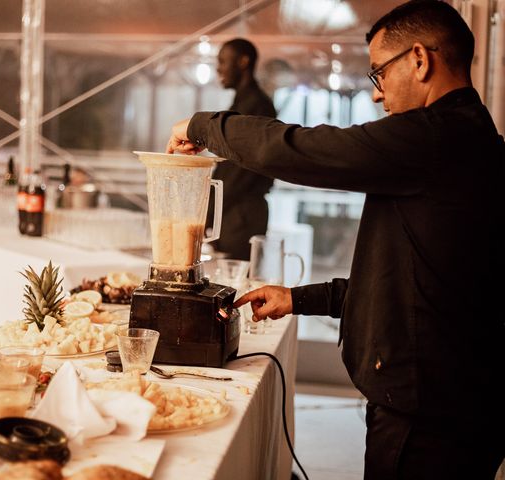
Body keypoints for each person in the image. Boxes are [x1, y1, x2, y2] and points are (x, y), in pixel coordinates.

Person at [166, 1, 505, 478]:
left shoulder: (436, 138)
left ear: (420, 60)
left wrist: (204, 125)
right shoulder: (464, 139)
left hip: (430, 415)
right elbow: (411, 282)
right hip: (443, 401)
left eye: (378, 74)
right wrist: (298, 298)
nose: (375, 94)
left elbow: (307, 150)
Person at [209, 38, 277, 260]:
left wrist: (207, 215)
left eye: (222, 61)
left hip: (241, 218)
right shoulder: (247, 103)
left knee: (235, 281)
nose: (218, 68)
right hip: (236, 214)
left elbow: (239, 172)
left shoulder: (255, 106)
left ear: (243, 62)